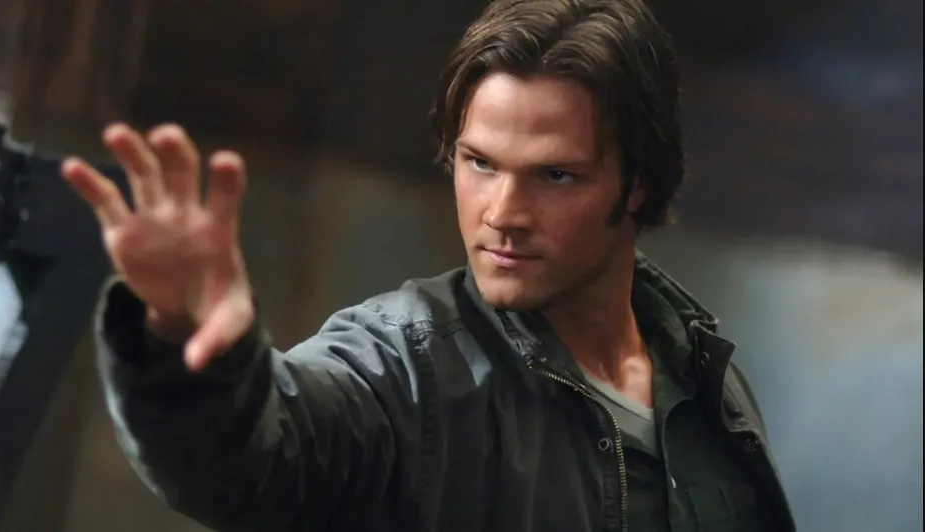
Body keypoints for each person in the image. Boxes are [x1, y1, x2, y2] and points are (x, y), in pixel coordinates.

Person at [62, 0, 795, 530]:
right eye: (480, 163)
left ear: (636, 185)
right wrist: (189, 348)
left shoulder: (703, 374)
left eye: (555, 176)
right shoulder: (403, 364)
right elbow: (260, 456)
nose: (502, 212)